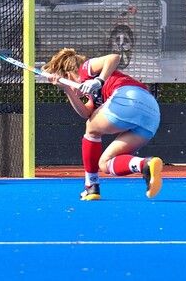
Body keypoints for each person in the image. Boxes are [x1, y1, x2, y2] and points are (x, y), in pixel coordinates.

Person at [42, 48, 162, 200]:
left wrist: (99, 80)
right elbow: (86, 113)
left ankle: (91, 185)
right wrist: (67, 89)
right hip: (151, 113)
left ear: (68, 74)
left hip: (128, 97)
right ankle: (145, 165)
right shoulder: (92, 95)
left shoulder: (85, 69)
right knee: (105, 164)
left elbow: (114, 57)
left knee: (90, 128)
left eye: (66, 81)